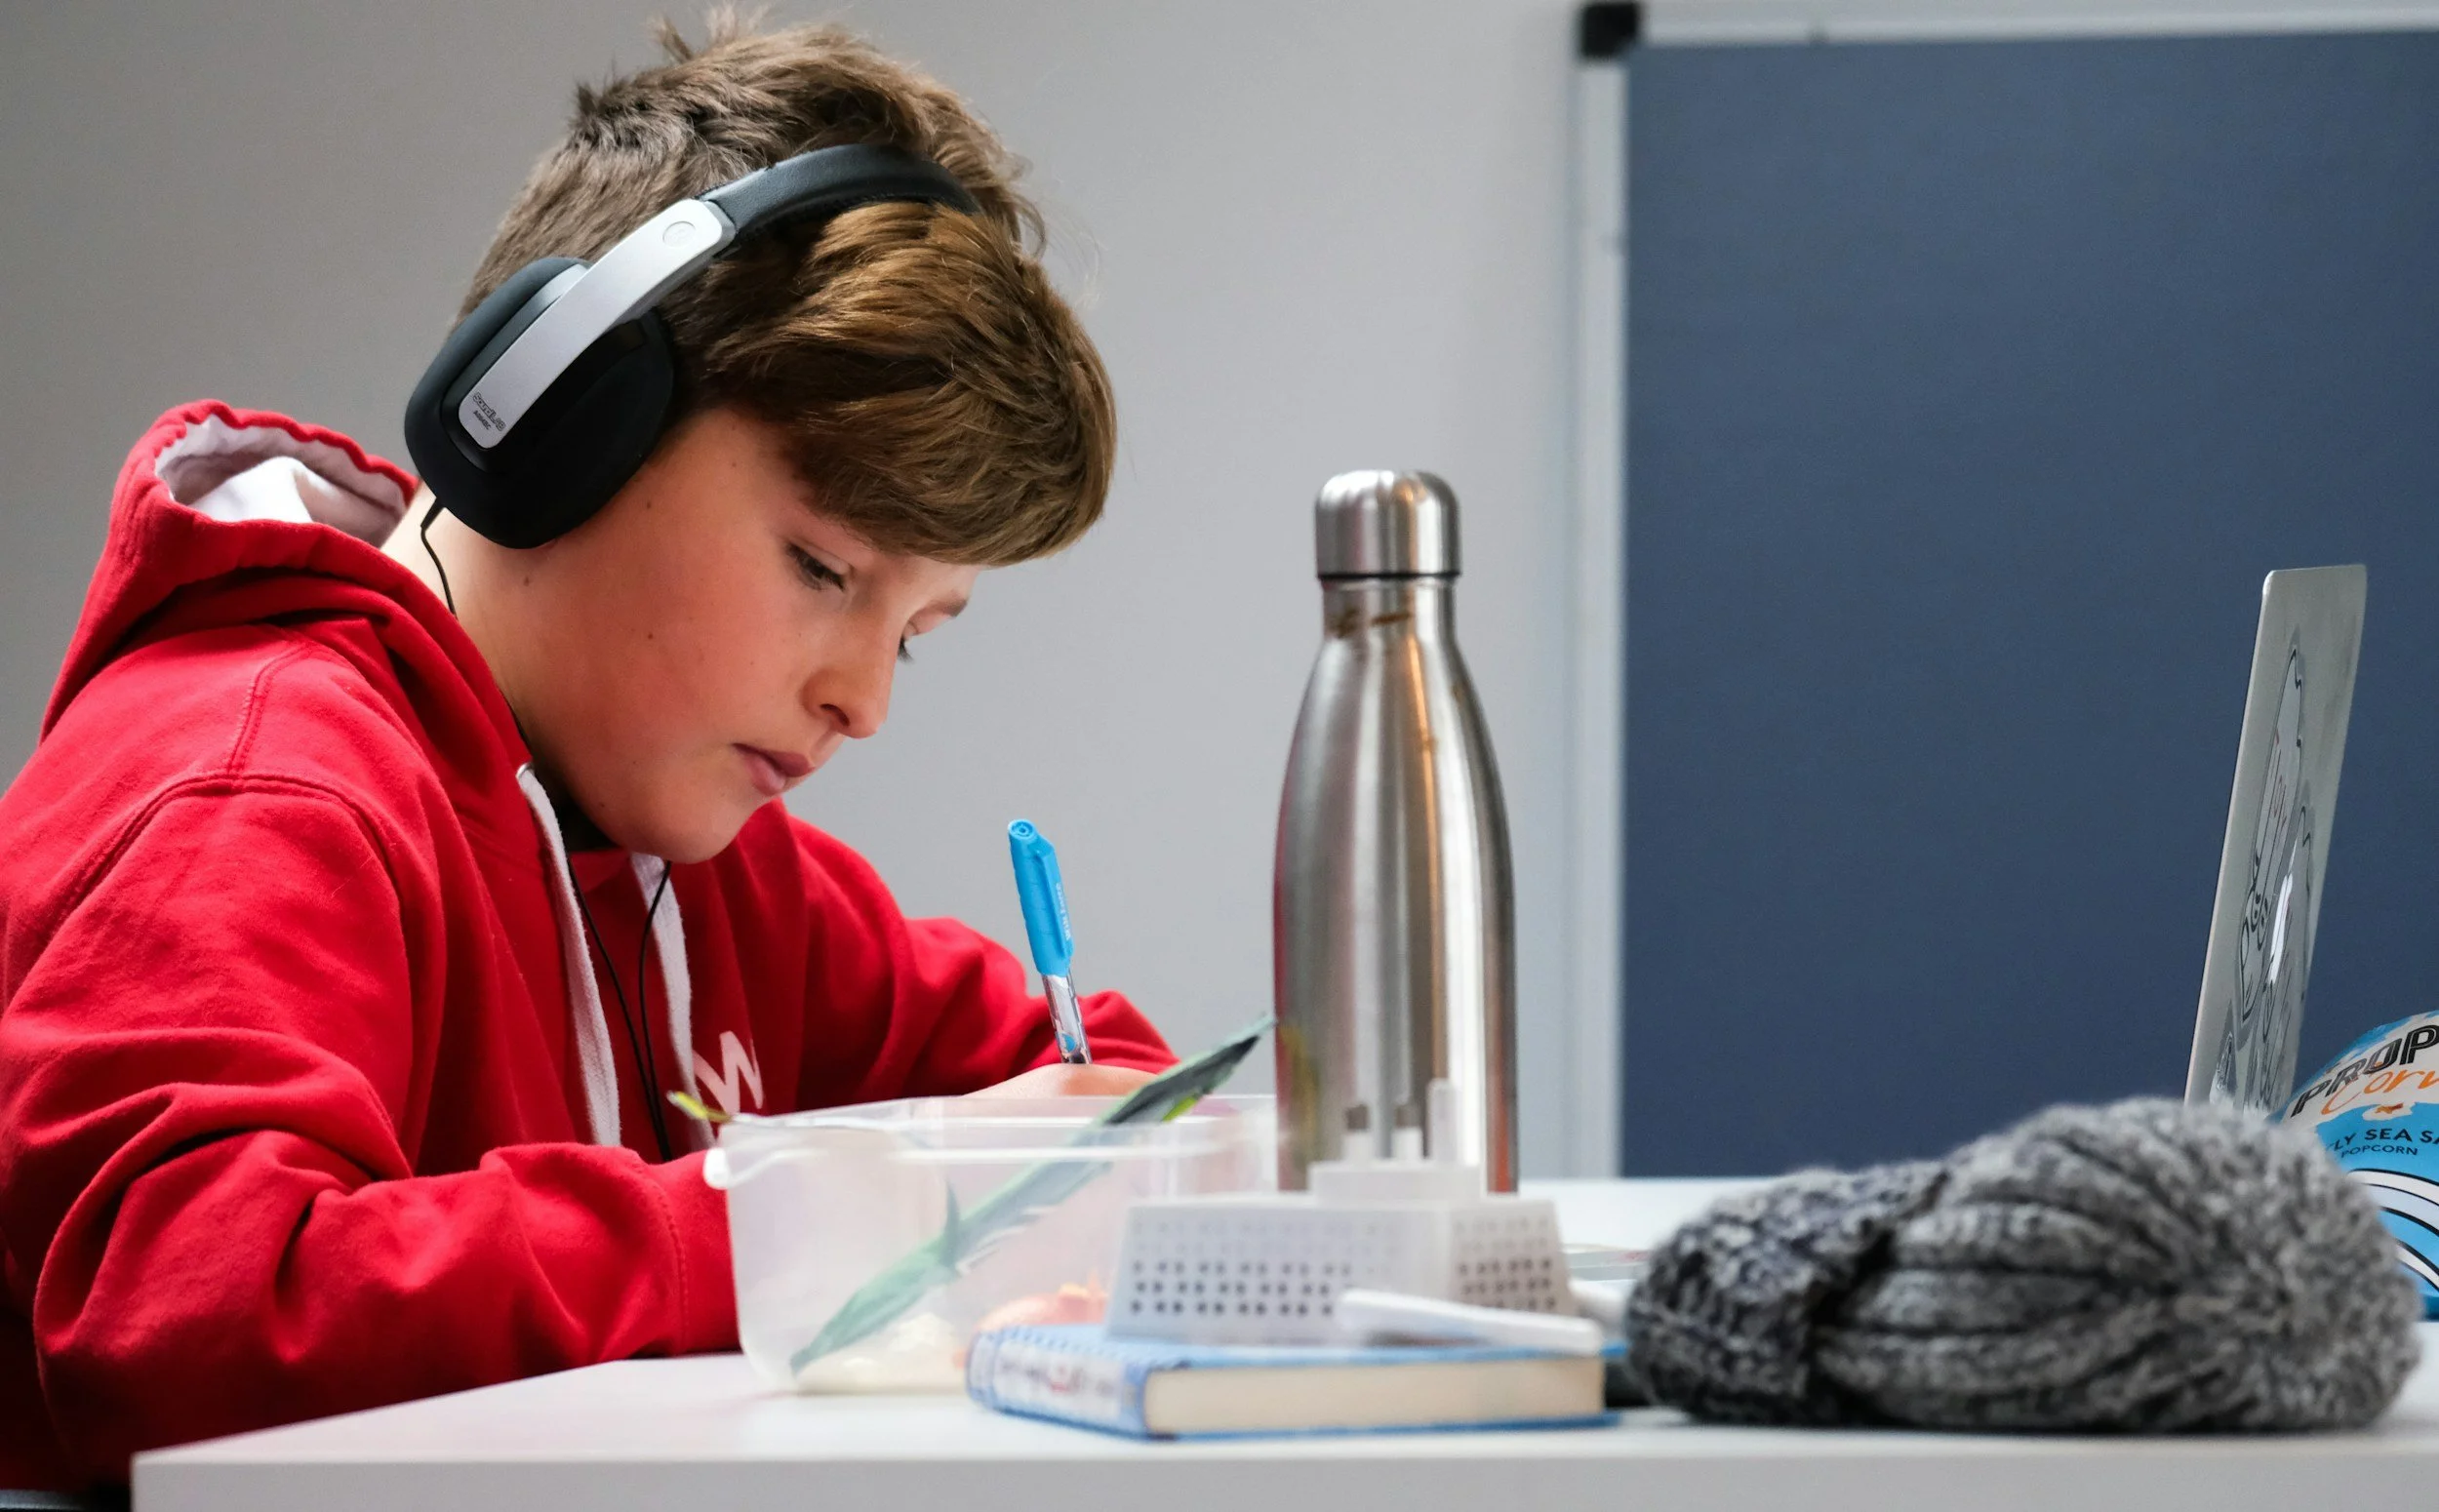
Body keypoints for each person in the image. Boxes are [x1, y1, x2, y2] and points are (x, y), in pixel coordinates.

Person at [0, 18, 1173, 1492]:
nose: (865, 699)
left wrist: (1117, 1153)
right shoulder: (257, 786)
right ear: (562, 424)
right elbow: (185, 1312)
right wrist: (805, 1218)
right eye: (823, 568)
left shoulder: (704, 863)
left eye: (917, 629)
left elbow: (1097, 1086)